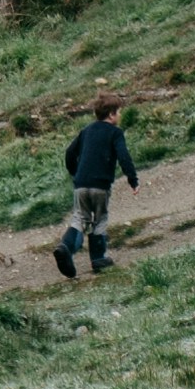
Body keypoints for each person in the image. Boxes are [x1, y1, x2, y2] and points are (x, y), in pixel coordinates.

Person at [56, 96, 134, 279]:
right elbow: (124, 156)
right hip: (100, 185)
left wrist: (75, 173)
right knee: (99, 219)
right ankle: (98, 258)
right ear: (112, 114)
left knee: (79, 218)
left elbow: (69, 152)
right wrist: (133, 179)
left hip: (81, 185)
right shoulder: (115, 133)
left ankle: (65, 248)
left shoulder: (86, 130)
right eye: (119, 112)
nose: (120, 115)